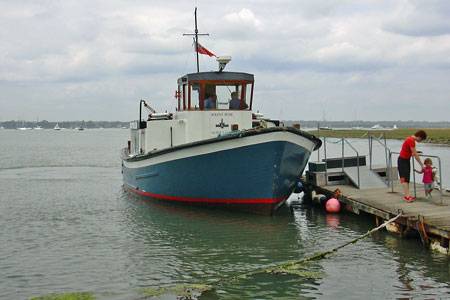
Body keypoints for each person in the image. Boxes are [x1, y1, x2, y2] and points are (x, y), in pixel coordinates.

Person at [397, 130, 427, 202]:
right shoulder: (411, 140)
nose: (420, 141)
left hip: (406, 160)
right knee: (404, 178)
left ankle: (407, 195)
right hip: (403, 161)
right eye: (421, 139)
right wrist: (422, 165)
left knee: (406, 178)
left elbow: (411, 151)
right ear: (419, 136)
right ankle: (407, 196)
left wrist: (416, 151)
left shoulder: (410, 139)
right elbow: (415, 155)